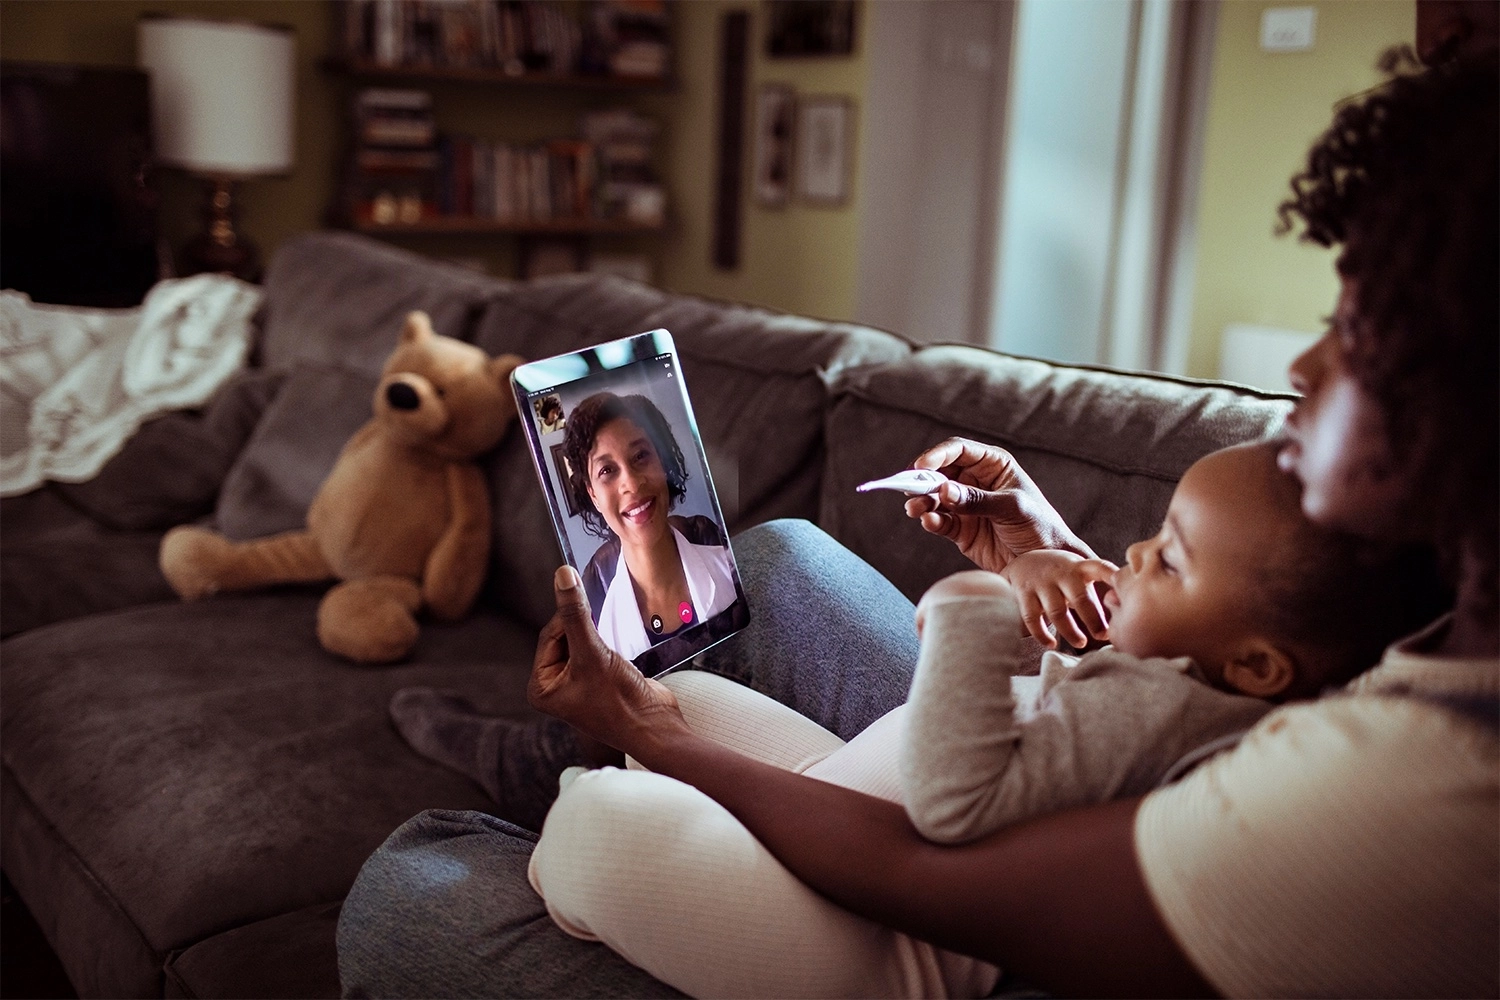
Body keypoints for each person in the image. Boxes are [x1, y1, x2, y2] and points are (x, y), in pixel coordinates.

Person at [337, 46, 1497, 999]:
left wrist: (662, 743)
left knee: (409, 890)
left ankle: (577, 783)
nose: (1307, 361)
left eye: (1363, 324)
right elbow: (1210, 689)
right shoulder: (1422, 604)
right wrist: (1050, 550)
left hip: (951, 927)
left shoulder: (1415, 800)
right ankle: (573, 757)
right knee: (778, 561)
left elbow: (929, 871)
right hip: (999, 807)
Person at [522, 442, 1446, 998]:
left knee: (594, 824)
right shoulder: (1202, 686)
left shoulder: (1174, 719)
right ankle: (610, 769)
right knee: (702, 691)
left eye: (1170, 559)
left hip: (879, 938)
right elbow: (1068, 716)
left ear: (1254, 667)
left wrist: (979, 605)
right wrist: (1046, 566)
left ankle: (566, 807)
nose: (1133, 551)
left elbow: (954, 802)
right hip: (858, 794)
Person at [561, 391, 736, 659]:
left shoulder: (730, 569)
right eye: (607, 470)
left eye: (640, 456)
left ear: (663, 462)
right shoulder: (601, 639)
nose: (631, 484)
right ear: (593, 494)